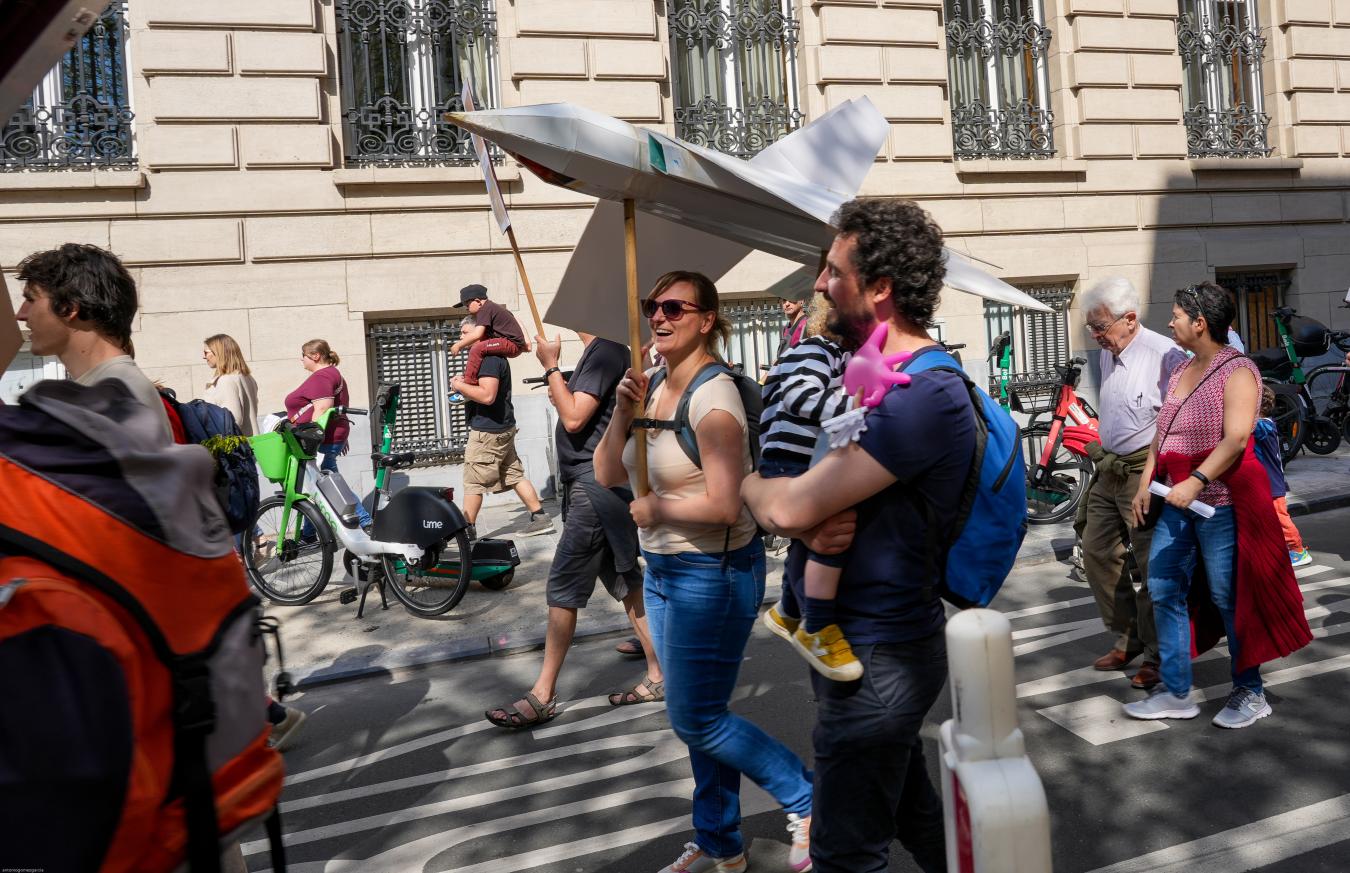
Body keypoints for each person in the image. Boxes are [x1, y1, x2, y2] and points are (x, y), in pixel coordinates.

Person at [742, 199, 970, 873]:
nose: (817, 285)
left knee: (845, 852)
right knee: (912, 811)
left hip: (881, 658)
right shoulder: (872, 375)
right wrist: (776, 496)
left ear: (880, 289)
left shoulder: (923, 395)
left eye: (832, 271)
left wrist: (750, 489)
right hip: (869, 647)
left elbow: (787, 510)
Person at [595, 271, 813, 873]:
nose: (658, 318)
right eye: (651, 307)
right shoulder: (655, 385)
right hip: (664, 572)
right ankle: (721, 845)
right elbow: (608, 472)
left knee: (695, 717)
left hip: (711, 573)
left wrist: (660, 506)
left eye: (674, 308)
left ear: (707, 319)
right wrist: (622, 409)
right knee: (703, 718)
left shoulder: (714, 400)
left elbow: (725, 502)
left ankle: (807, 798)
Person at [1126, 282, 1310, 728]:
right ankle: (1175, 691)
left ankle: (1250, 691)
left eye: (1175, 315)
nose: (1169, 322)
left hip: (1222, 503)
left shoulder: (1238, 370)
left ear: (1200, 323)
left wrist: (1197, 479)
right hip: (1177, 499)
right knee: (1165, 589)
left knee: (1230, 597)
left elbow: (1237, 438)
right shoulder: (1181, 369)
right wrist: (1147, 477)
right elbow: (1162, 431)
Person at [485, 330, 662, 728]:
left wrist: (550, 366)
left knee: (563, 588)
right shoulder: (602, 351)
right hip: (592, 484)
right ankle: (661, 672)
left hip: (592, 487)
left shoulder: (605, 349)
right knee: (625, 580)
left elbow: (575, 416)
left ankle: (543, 695)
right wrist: (559, 381)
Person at [1076, 277, 1186, 690]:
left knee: (1151, 564)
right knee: (1097, 550)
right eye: (1091, 327)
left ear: (1130, 319)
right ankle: (1128, 639)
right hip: (1109, 467)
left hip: (1145, 470)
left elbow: (1172, 424)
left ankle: (1156, 656)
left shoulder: (1165, 355)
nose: (1096, 335)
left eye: (1101, 327)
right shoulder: (1110, 349)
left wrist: (1149, 480)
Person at [759, 296, 861, 682]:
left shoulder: (836, 353)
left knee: (808, 541)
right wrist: (860, 406)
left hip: (800, 460)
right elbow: (801, 396)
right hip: (790, 461)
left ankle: (787, 609)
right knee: (830, 537)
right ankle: (817, 625)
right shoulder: (817, 349)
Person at [14, 243, 172, 443]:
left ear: (68, 307)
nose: (21, 314)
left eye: (31, 299)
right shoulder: (109, 388)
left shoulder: (117, 395)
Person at [449, 318, 555, 539]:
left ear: (480, 333)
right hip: (502, 427)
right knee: (514, 473)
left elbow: (487, 396)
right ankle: (540, 517)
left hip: (487, 431)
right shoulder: (491, 357)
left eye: (465, 332)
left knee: (473, 481)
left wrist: (459, 385)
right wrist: (466, 385)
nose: (461, 337)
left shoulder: (488, 359)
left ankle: (466, 531)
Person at [285, 338, 372, 528]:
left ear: (315, 356)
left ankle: (365, 522)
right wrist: (339, 435)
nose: (301, 360)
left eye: (304, 356)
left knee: (330, 485)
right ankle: (309, 532)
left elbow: (323, 409)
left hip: (321, 439)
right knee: (319, 486)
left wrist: (313, 439)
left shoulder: (322, 376)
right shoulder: (332, 374)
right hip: (330, 436)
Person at [1253, 386, 1311, 567]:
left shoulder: (1263, 426)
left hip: (1272, 482)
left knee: (1281, 518)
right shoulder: (1266, 424)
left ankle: (1297, 549)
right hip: (1267, 481)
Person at [448, 283, 528, 403]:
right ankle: (468, 382)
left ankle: (468, 385)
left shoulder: (486, 309)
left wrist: (458, 345)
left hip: (511, 343)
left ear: (478, 301)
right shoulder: (492, 309)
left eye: (467, 304)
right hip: (511, 343)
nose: (466, 308)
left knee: (477, 349)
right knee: (478, 349)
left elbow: (477, 334)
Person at [202, 333, 259, 435]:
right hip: (250, 443)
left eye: (206, 352)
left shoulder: (226, 380)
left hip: (235, 448)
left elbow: (232, 420)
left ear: (219, 352)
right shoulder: (246, 377)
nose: (204, 357)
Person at [775, 295, 808, 360]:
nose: (787, 304)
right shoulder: (786, 328)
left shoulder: (808, 325)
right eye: (784, 300)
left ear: (802, 301)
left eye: (791, 299)